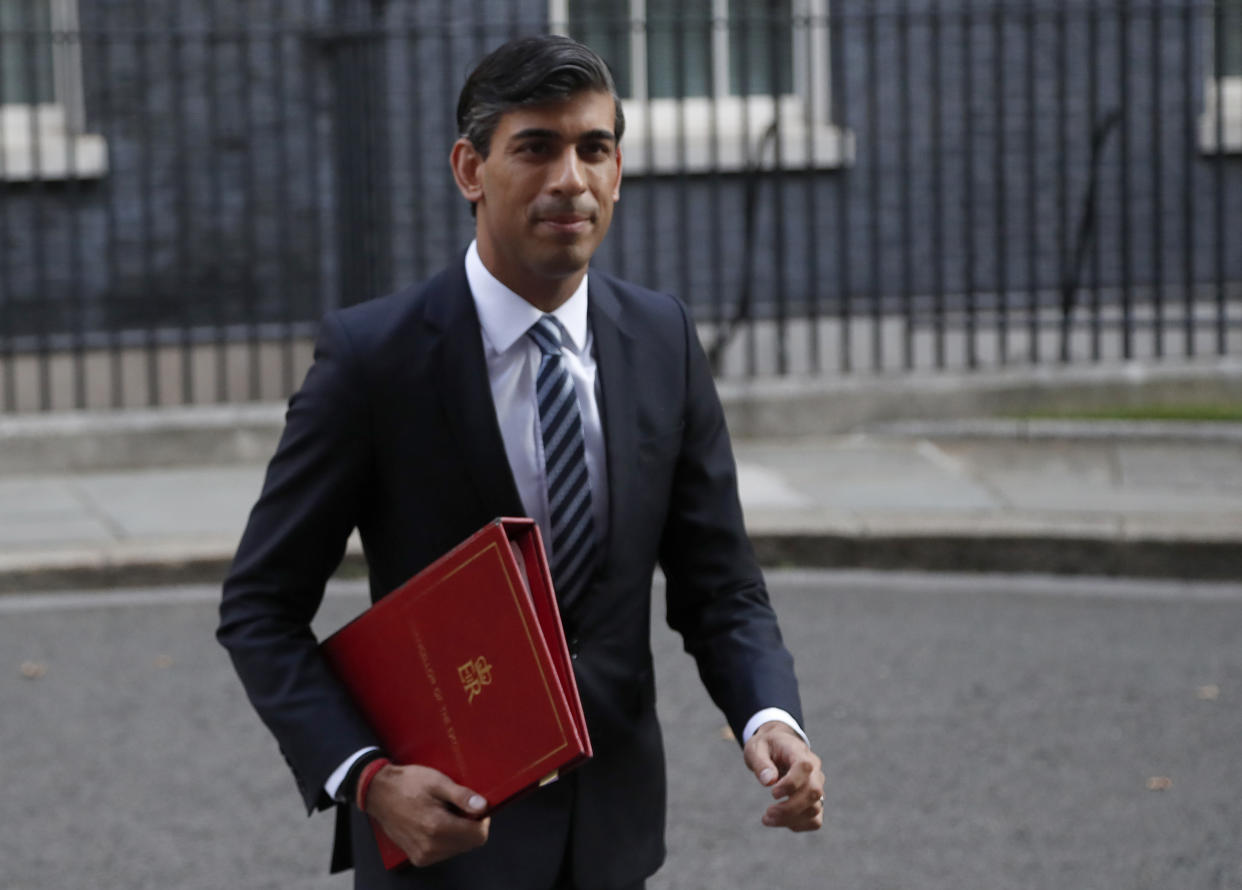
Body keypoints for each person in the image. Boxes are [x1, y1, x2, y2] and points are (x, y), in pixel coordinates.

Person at [218, 33, 824, 890]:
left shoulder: (661, 340)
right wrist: (368, 780)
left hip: (612, 843)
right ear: (470, 168)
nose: (569, 180)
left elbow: (720, 585)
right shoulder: (374, 360)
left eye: (594, 148)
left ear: (618, 168)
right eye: (535, 148)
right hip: (444, 848)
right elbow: (260, 607)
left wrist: (772, 717)